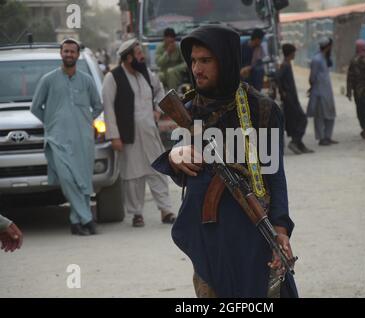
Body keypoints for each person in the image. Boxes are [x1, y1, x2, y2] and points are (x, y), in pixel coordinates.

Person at [152, 25, 298, 298]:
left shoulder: (262, 109)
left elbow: (275, 173)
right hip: (208, 238)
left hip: (252, 229)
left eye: (206, 60)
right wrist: (174, 156)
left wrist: (280, 229)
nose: (196, 69)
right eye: (193, 61)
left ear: (226, 60)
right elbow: (184, 164)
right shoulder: (191, 108)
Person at [31, 38, 103, 236]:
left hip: (82, 140)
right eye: (66, 51)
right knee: (68, 179)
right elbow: (35, 107)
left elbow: (98, 106)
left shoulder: (86, 81)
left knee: (83, 181)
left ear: (78, 55)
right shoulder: (48, 80)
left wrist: (86, 120)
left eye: (72, 52)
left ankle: (75, 221)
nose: (69, 55)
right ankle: (87, 218)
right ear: (61, 53)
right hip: (57, 140)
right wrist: (52, 122)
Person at [102, 39, 176, 227]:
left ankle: (166, 210)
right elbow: (108, 108)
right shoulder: (113, 78)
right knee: (132, 175)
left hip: (150, 132)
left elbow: (160, 92)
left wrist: (159, 111)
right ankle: (136, 214)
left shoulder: (146, 74)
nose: (142, 56)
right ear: (128, 58)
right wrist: (114, 136)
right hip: (128, 135)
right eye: (138, 53)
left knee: (158, 170)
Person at [277, 43, 314, 154]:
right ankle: (294, 142)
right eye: (294, 53)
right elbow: (277, 77)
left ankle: (299, 144)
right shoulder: (285, 65)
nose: (295, 55)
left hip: (292, 98)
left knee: (295, 121)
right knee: (302, 119)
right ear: (291, 53)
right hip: (289, 99)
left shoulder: (287, 64)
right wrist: (283, 92)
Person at [306, 37, 338, 146]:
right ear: (328, 46)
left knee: (330, 114)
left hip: (327, 91)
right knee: (319, 116)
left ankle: (327, 136)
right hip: (319, 92)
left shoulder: (324, 58)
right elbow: (312, 77)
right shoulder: (317, 59)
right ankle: (321, 138)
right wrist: (313, 88)